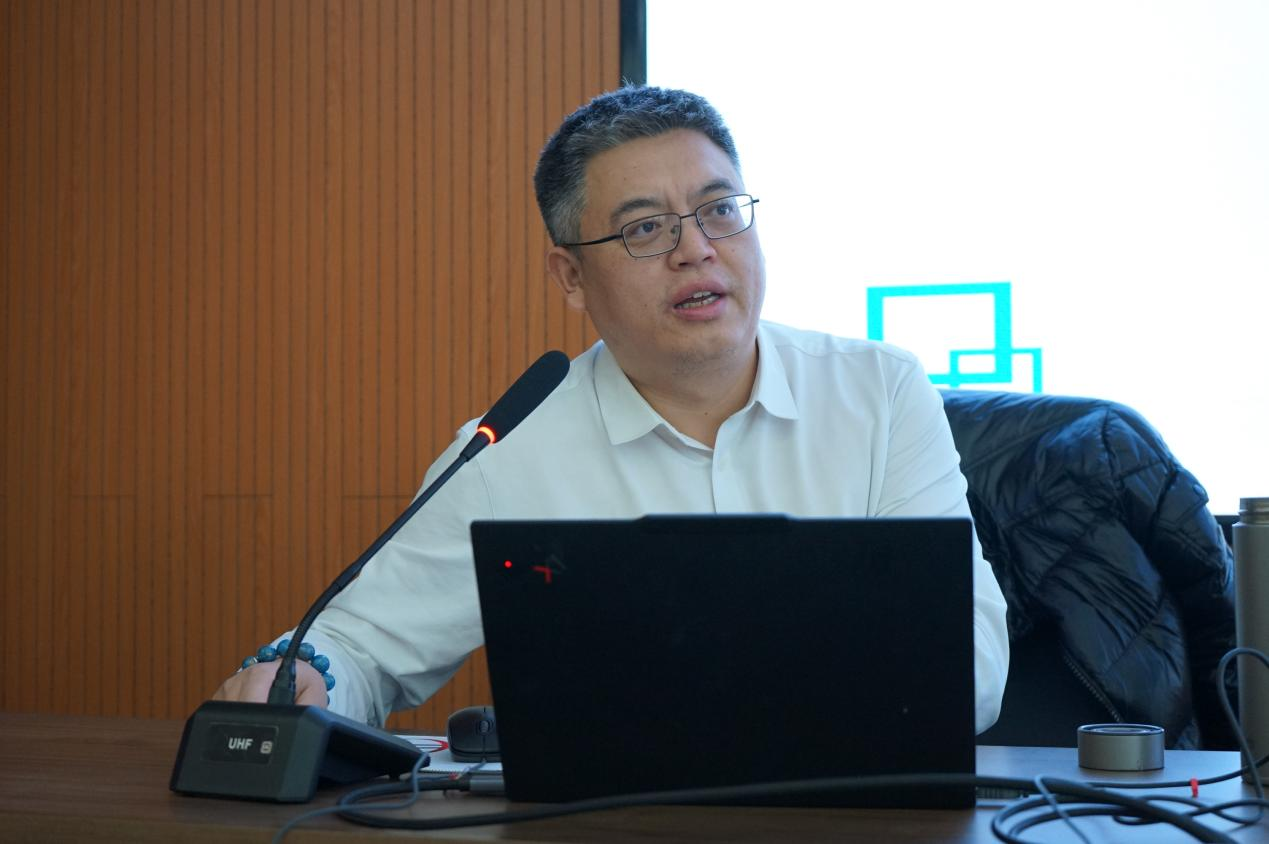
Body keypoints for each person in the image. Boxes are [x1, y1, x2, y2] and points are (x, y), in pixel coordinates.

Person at [214, 86, 1010, 733]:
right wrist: (300, 676)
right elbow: (359, 646)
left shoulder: (879, 393)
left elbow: (968, 665)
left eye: (719, 209)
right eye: (644, 228)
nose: (696, 248)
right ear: (570, 278)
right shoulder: (509, 451)